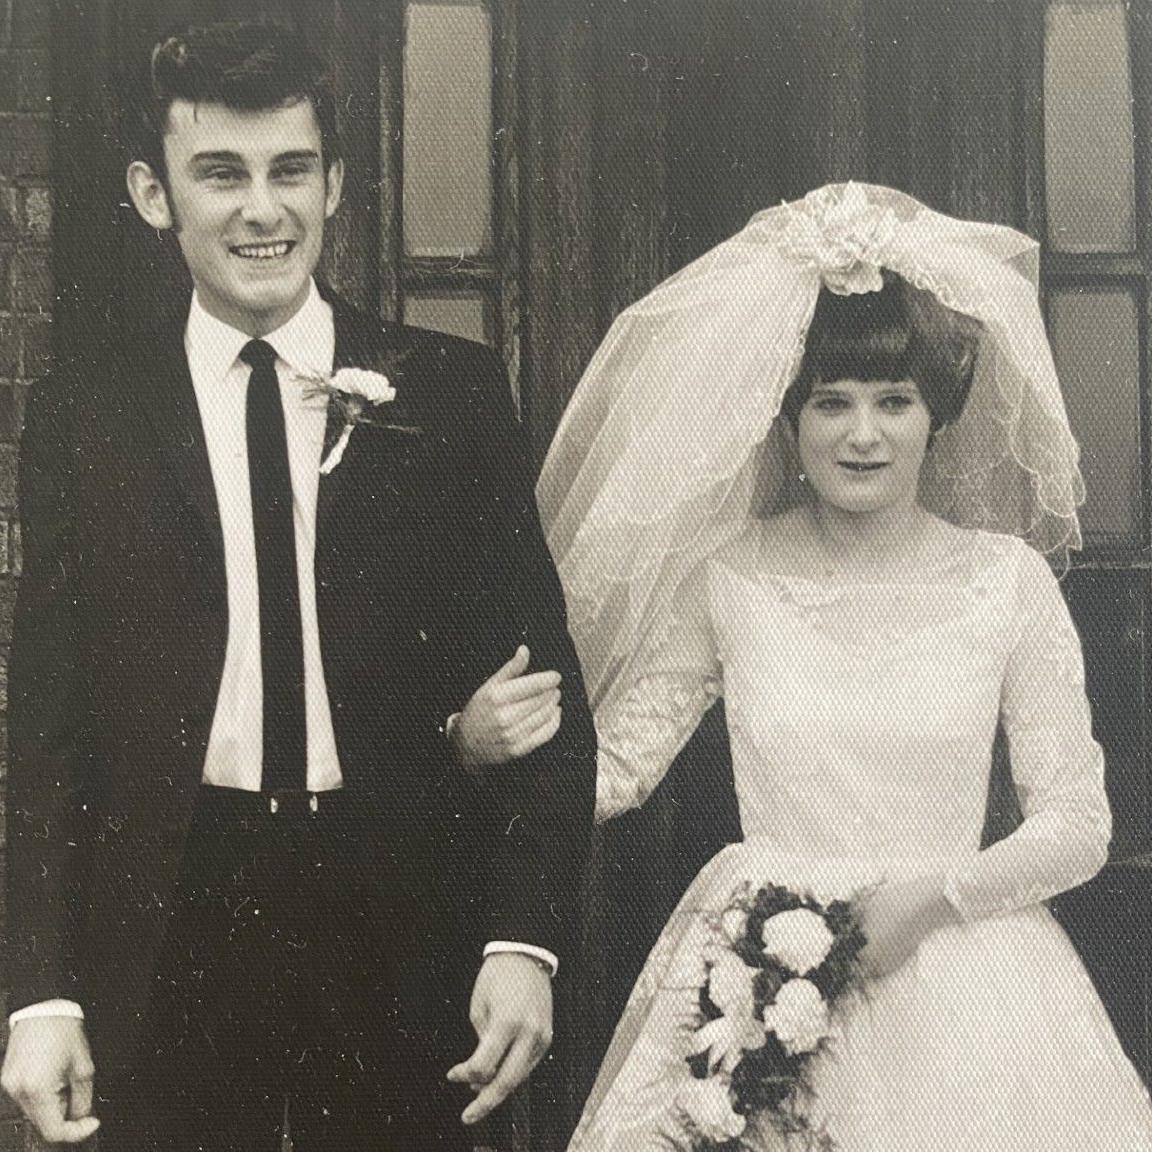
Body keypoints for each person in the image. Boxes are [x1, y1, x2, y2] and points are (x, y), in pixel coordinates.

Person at [0, 18, 596, 1151]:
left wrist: (523, 942)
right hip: (171, 917)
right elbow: (50, 731)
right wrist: (41, 993)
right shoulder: (91, 417)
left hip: (394, 910)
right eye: (218, 174)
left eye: (289, 171)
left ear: (334, 186)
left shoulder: (450, 395)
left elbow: (541, 700)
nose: (260, 211)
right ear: (151, 192)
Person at [536, 183, 1152, 1148]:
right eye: (832, 402)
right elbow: (616, 769)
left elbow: (1079, 824)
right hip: (763, 968)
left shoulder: (1008, 583)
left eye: (893, 402)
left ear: (934, 416)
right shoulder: (729, 577)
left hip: (966, 979)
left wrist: (934, 901)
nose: (863, 434)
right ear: (789, 419)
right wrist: (481, 745)